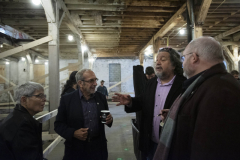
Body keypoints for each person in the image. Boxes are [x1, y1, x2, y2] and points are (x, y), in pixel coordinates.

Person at [153, 37, 240, 160]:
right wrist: (177, 116)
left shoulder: (220, 91)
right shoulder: (209, 83)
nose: (182, 63)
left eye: (184, 58)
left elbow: (211, 149)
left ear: (194, 58)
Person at [112, 47, 186, 160]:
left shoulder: (183, 85)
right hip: (150, 144)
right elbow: (143, 101)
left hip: (171, 146)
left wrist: (173, 116)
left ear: (174, 65)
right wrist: (131, 101)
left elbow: (188, 112)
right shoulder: (151, 83)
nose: (158, 62)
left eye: (163, 59)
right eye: (157, 60)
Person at [55, 69, 113, 160]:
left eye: (95, 80)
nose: (95, 84)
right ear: (80, 83)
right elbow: (58, 125)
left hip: (98, 149)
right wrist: (73, 133)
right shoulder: (67, 99)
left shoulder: (101, 98)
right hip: (76, 150)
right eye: (91, 81)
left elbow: (107, 118)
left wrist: (109, 120)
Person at [0, 82, 46, 160]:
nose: (44, 99)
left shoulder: (17, 117)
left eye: (44, 96)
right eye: (40, 96)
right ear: (24, 100)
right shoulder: (23, 125)